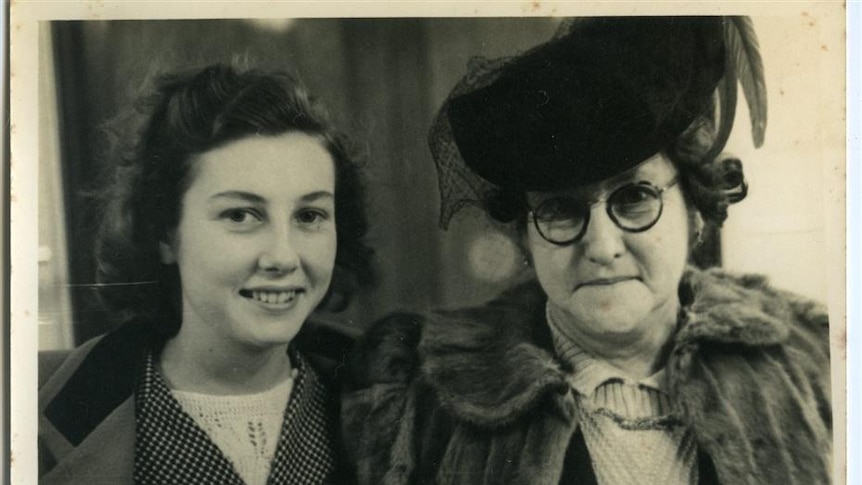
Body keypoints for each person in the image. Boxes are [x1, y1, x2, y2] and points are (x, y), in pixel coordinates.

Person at [342, 17, 831, 484]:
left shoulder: (810, 368)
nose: (601, 246)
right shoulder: (420, 402)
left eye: (635, 197)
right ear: (524, 237)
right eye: (560, 210)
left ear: (696, 208)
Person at [39, 63, 372, 484]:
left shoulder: (398, 407)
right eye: (241, 214)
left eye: (310, 215)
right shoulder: (25, 410)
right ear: (165, 233)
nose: (283, 257)